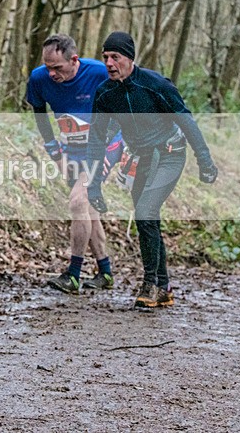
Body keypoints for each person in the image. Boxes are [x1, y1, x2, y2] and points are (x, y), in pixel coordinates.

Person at [86, 31, 218, 308]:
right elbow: (97, 138)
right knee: (147, 218)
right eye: (105, 57)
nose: (109, 63)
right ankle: (164, 285)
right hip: (142, 159)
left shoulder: (155, 84)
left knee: (146, 212)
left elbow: (186, 120)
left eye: (115, 57)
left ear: (130, 59)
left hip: (170, 155)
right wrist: (94, 182)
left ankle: (150, 284)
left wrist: (204, 160)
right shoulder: (105, 93)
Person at [27, 34, 123, 294]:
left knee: (78, 201)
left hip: (106, 146)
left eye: (57, 67)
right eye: (47, 67)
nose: (52, 73)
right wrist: (55, 153)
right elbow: (40, 114)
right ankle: (105, 272)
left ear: (74, 60)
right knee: (88, 209)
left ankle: (73, 274)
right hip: (72, 149)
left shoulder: (99, 73)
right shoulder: (39, 78)